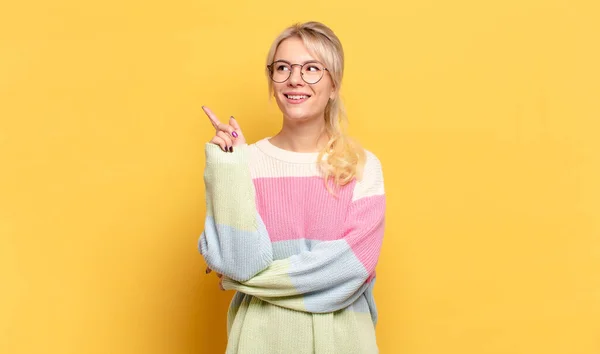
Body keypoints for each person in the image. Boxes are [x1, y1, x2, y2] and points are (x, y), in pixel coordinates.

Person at [198, 21, 386, 354]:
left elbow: (347, 271)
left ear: (333, 84)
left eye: (311, 68)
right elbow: (240, 261)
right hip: (259, 341)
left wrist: (241, 282)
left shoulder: (362, 167)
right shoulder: (245, 162)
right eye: (282, 68)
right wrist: (228, 167)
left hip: (343, 343)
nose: (294, 79)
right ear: (272, 81)